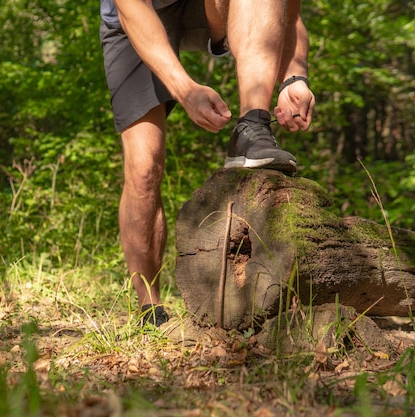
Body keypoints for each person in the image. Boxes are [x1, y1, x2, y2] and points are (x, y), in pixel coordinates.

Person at [100, 0, 315, 327]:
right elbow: (131, 9)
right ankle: (150, 307)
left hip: (210, 7)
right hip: (137, 14)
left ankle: (252, 126)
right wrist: (185, 90)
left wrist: (294, 77)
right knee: (144, 170)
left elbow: (291, 15)